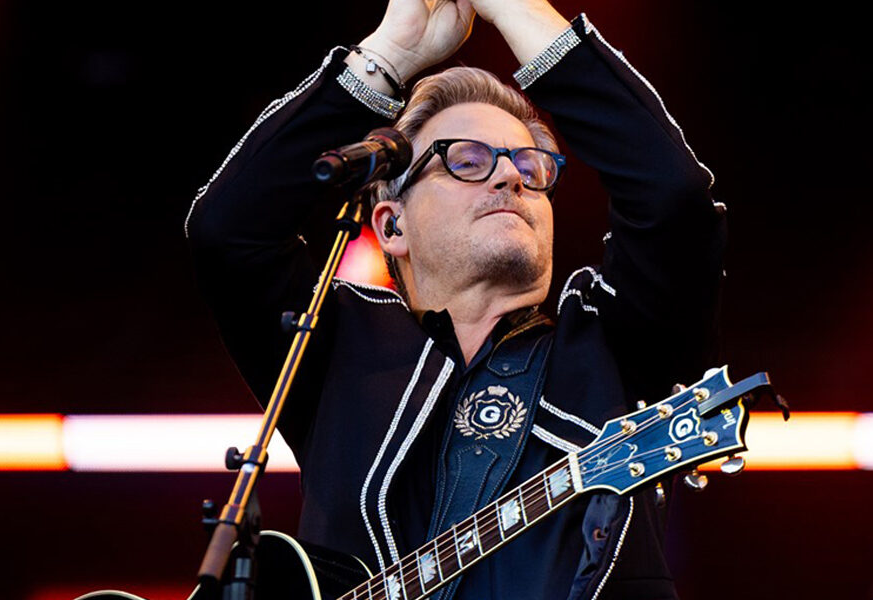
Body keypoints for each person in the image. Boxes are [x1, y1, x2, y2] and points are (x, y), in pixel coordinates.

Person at [186, 1, 726, 598]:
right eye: (466, 162)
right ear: (392, 227)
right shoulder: (335, 349)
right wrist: (390, 54)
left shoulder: (612, 343)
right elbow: (228, 231)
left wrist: (515, 9)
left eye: (530, 165)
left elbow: (674, 202)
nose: (509, 177)